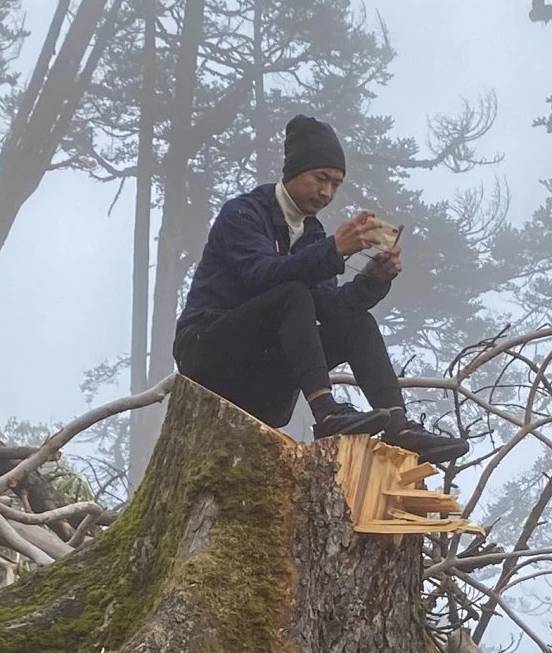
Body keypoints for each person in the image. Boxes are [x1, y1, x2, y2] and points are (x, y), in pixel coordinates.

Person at [172, 114, 471, 463]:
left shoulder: (311, 235)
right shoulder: (243, 213)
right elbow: (260, 275)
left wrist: (374, 280)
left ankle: (399, 427)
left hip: (260, 381)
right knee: (292, 294)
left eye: (336, 184)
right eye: (321, 178)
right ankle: (326, 412)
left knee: (355, 322)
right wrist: (333, 250)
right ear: (293, 171)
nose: (327, 192)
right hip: (207, 359)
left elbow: (330, 307)